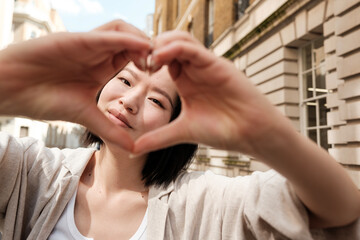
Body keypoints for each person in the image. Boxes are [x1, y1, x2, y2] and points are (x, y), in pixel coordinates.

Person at [0, 20, 359, 240]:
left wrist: (268, 136)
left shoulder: (206, 201)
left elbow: (338, 212)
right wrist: (10, 83)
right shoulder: (33, 171)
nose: (130, 101)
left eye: (157, 101)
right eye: (124, 79)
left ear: (178, 125)